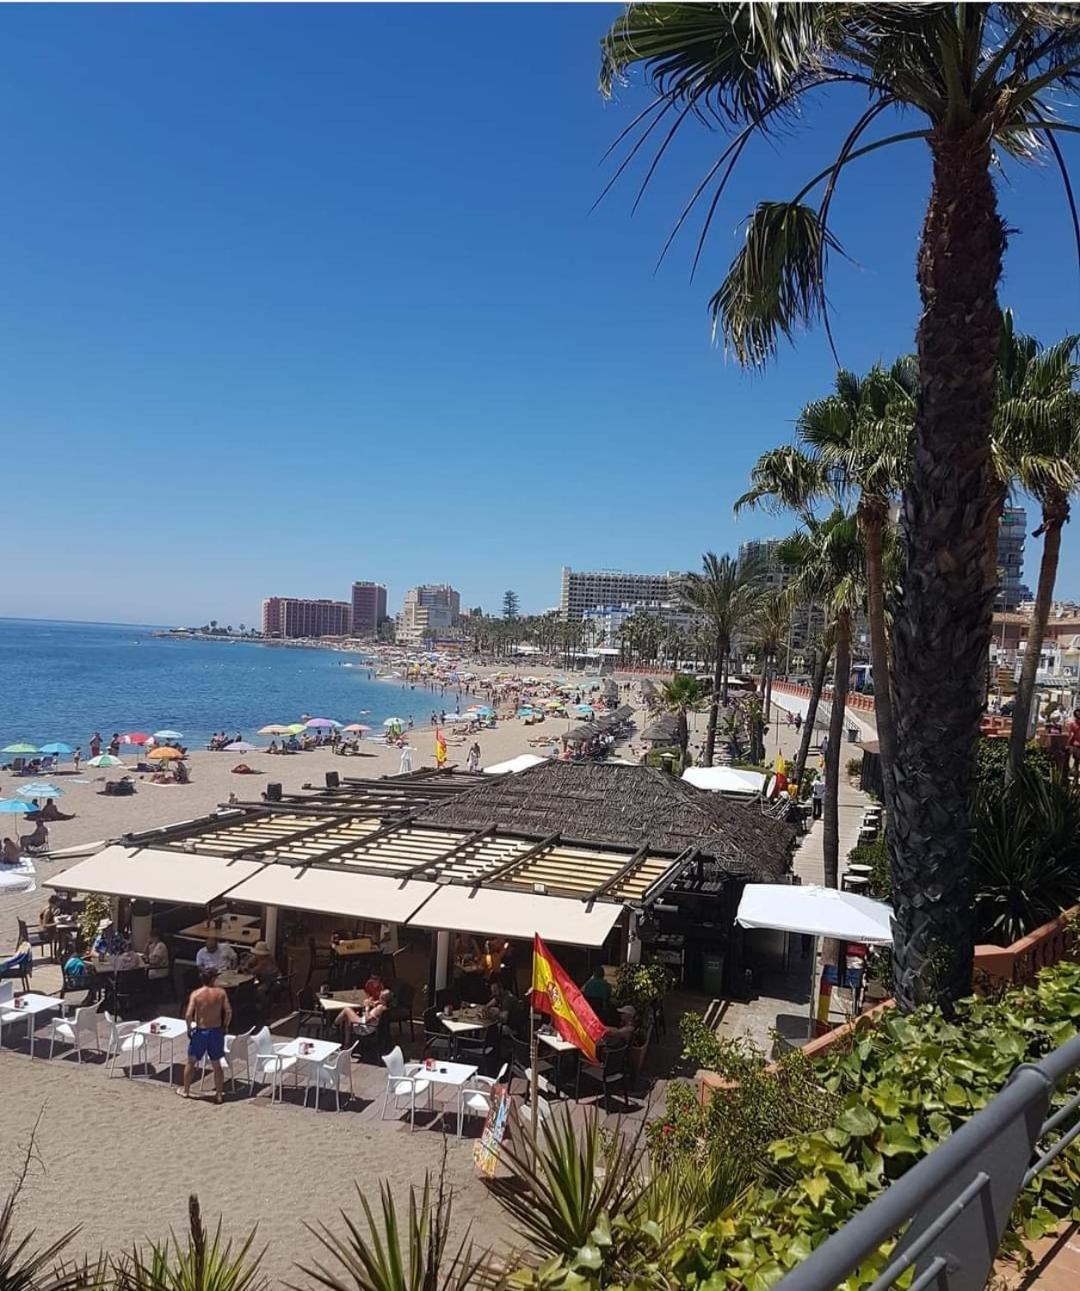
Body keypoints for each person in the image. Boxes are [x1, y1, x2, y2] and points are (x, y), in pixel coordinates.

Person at [181, 968, 232, 1103]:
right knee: (217, 1065)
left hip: (201, 1031)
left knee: (191, 1062)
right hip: (216, 1031)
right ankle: (219, 1094)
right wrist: (225, 1026)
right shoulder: (221, 993)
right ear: (213, 979)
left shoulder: (196, 994)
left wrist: (188, 1028)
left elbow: (188, 1015)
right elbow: (228, 1012)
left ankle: (186, 1090)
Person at [1067, 708, 1080, 783]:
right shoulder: (1073, 723)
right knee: (1076, 762)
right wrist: (1069, 744)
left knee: (1076, 762)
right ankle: (1075, 778)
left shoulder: (1073, 723)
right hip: (1076, 744)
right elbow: (1071, 734)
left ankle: (1076, 777)